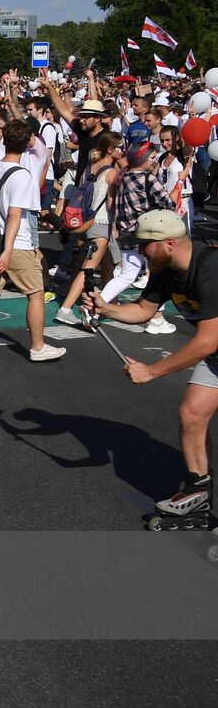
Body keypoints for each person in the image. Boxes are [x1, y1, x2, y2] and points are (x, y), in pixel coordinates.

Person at [83, 210, 218, 523]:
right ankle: (197, 490)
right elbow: (144, 309)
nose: (140, 251)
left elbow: (208, 340)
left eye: (145, 245)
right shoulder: (165, 267)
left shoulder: (210, 268)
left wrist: (152, 371)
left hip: (214, 345)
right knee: (192, 413)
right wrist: (108, 309)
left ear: (169, 243)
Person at [0, 121, 67, 366]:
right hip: (17, 242)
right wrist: (9, 250)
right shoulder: (22, 175)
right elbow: (15, 214)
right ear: (26, 145)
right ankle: (37, 346)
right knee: (35, 293)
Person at [98, 142, 177, 334]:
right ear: (143, 159)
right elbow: (169, 204)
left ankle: (94, 305)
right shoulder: (148, 178)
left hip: (127, 233)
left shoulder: (122, 176)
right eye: (152, 157)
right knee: (158, 274)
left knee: (127, 275)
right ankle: (156, 319)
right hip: (149, 234)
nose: (154, 161)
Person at [54, 133, 122, 326]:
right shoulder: (112, 173)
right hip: (101, 224)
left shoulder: (88, 168)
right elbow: (112, 203)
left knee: (108, 264)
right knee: (88, 269)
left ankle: (112, 301)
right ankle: (65, 309)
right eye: (119, 147)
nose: (122, 150)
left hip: (85, 222)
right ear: (110, 150)